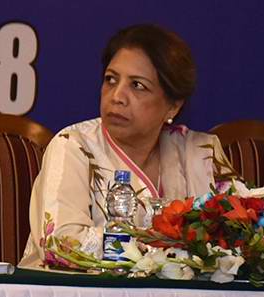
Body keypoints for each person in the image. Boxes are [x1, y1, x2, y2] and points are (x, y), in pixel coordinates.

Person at [20, 23, 225, 266]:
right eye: (111, 80)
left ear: (173, 106)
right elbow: (61, 246)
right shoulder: (73, 146)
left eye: (137, 85)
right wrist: (162, 249)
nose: (116, 96)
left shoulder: (202, 153)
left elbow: (240, 241)